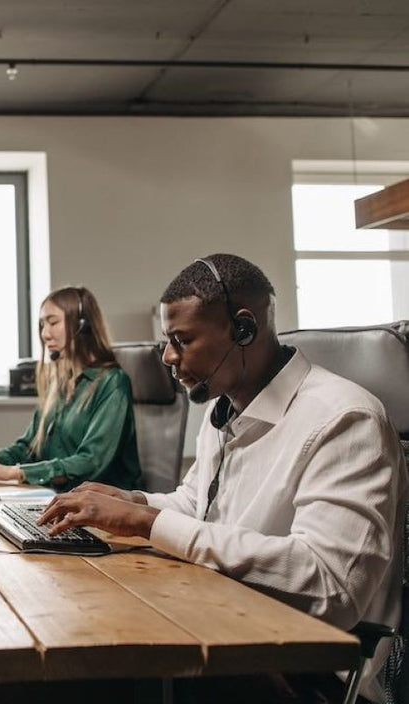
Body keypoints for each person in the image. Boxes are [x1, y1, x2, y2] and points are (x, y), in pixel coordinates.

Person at [39, 254, 407, 703]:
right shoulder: (225, 409)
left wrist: (146, 523)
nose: (168, 356)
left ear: (243, 329)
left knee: (85, 672)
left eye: (182, 340)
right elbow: (197, 506)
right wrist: (132, 503)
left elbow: (330, 586)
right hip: (229, 622)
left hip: (308, 669)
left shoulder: (344, 419)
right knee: (77, 627)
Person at [0, 286, 141, 491]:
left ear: (82, 326)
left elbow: (91, 461)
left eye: (53, 322)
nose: (45, 334)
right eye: (42, 324)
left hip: (103, 501)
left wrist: (13, 473)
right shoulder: (58, 383)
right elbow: (29, 448)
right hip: (58, 495)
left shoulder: (112, 382)